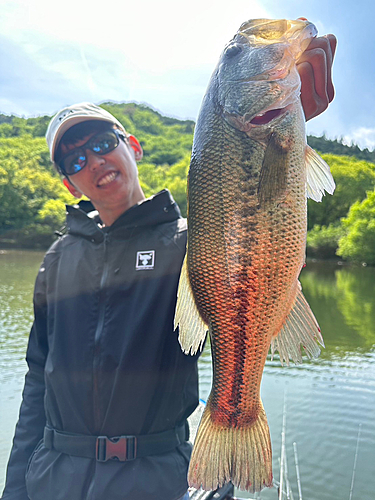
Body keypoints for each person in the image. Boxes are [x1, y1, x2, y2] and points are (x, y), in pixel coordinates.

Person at [1, 33, 336, 500]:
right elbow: (37, 379)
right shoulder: (56, 259)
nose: (93, 161)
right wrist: (16, 488)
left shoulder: (188, 242)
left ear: (133, 146)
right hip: (52, 479)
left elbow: (248, 238)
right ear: (69, 183)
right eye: (74, 158)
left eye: (101, 142)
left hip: (158, 479)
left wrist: (290, 127)